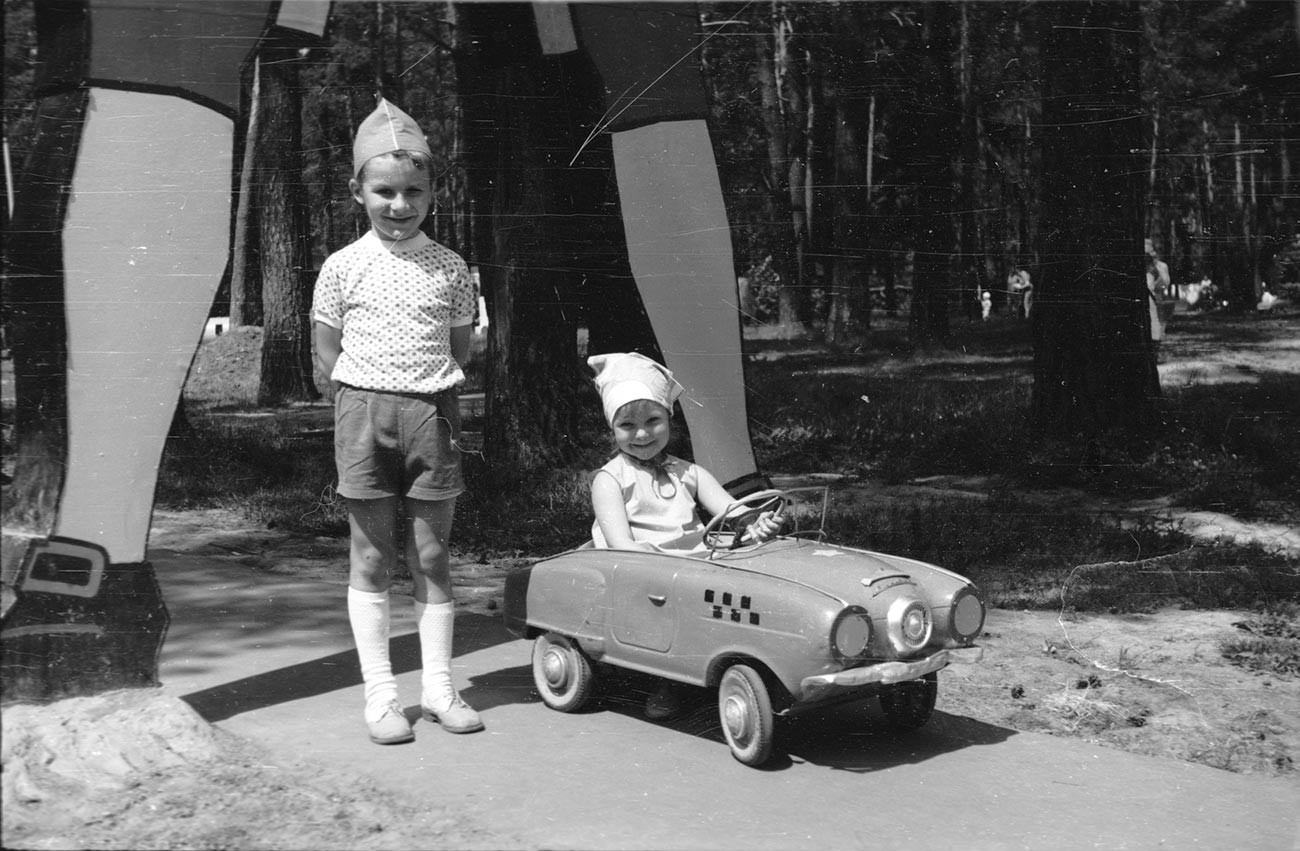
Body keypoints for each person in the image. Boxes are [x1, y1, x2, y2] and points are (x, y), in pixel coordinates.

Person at [312, 98, 481, 745]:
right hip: (362, 414)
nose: (399, 204)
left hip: (431, 415)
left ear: (432, 191)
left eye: (413, 191)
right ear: (359, 190)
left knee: (433, 554)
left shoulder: (450, 268)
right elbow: (330, 351)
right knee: (371, 555)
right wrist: (369, 392)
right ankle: (381, 696)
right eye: (384, 191)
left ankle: (438, 688)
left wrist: (419, 392)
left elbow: (459, 350)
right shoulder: (341, 267)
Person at [587, 352, 782, 719]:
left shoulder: (687, 471)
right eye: (627, 425)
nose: (642, 433)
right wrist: (669, 568)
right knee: (678, 602)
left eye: (653, 420)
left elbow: (732, 510)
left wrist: (754, 525)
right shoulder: (609, 479)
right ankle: (666, 682)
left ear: (670, 420)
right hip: (642, 569)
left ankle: (754, 660)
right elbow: (622, 545)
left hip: (694, 563)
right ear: (611, 429)